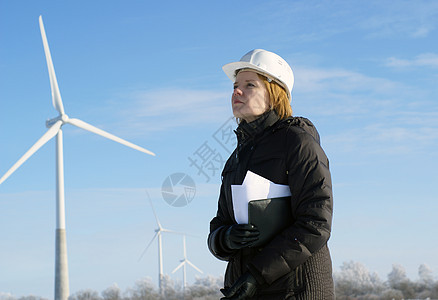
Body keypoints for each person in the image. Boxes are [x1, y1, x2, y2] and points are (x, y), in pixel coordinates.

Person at [207, 49, 334, 299]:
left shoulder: (298, 143)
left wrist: (257, 274)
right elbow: (219, 222)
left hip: (294, 290)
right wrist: (226, 238)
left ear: (275, 94)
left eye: (249, 85)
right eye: (235, 85)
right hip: (246, 288)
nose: (236, 92)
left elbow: (316, 223)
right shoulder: (237, 156)